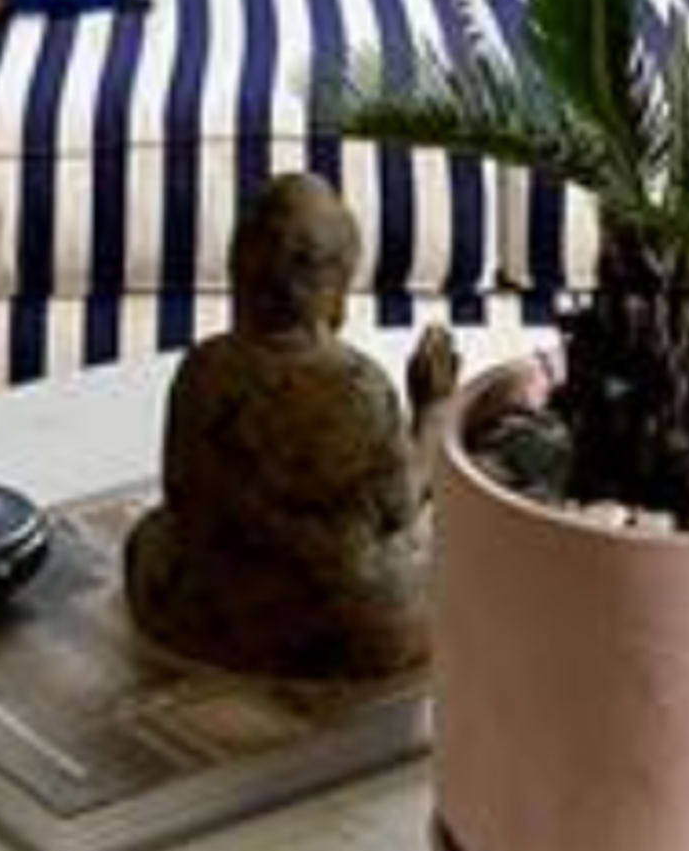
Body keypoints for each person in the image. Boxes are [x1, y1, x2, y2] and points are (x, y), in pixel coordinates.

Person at [123, 174, 453, 679]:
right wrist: (433, 410)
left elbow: (182, 496)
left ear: (239, 276)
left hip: (210, 608)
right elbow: (401, 505)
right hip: (343, 620)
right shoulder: (359, 385)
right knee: (435, 557)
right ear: (337, 289)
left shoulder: (202, 370)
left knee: (147, 539)